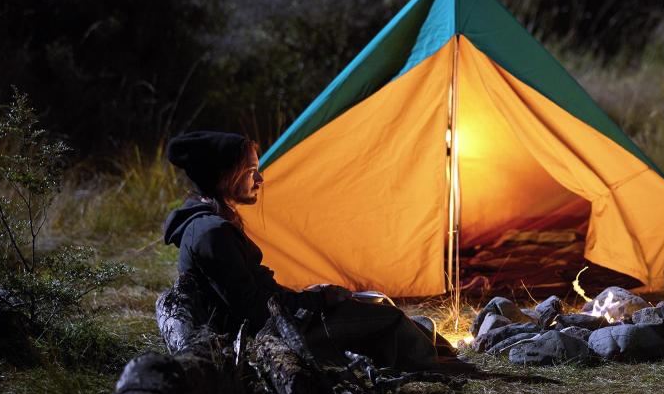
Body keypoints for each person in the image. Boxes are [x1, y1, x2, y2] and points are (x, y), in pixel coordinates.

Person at [162, 130, 454, 371]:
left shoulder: (213, 223)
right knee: (391, 320)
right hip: (272, 336)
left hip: (279, 320)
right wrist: (316, 301)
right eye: (251, 172)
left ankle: (439, 351)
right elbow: (254, 311)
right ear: (224, 176)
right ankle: (444, 369)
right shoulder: (212, 234)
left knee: (380, 302)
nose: (259, 180)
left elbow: (256, 293)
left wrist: (310, 295)